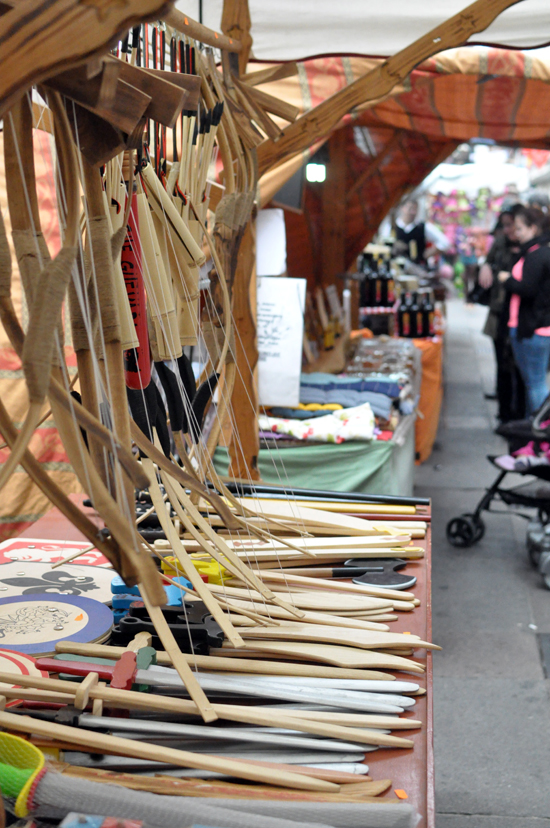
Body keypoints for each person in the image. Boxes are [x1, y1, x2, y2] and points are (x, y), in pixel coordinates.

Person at [498, 206, 550, 416]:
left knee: (536, 384)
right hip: (535, 327)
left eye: (520, 229)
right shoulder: (535, 252)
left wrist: (507, 280)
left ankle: (540, 431)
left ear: (533, 228)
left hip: (533, 329)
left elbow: (528, 289)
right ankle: (536, 431)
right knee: (534, 383)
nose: (516, 234)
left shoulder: (537, 254)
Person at [479, 205, 524, 422]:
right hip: (499, 311)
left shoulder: (532, 248)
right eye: (505, 225)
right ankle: (504, 413)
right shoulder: (500, 243)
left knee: (519, 368)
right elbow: (488, 261)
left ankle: (518, 415)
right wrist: (486, 266)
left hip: (522, 316)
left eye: (511, 225)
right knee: (502, 364)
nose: (507, 230)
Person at [394, 199, 451, 265]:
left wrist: (429, 253)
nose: (412, 212)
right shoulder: (393, 226)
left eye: (415, 209)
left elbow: (445, 242)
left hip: (418, 266)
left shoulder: (423, 227)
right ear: (402, 208)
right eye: (410, 209)